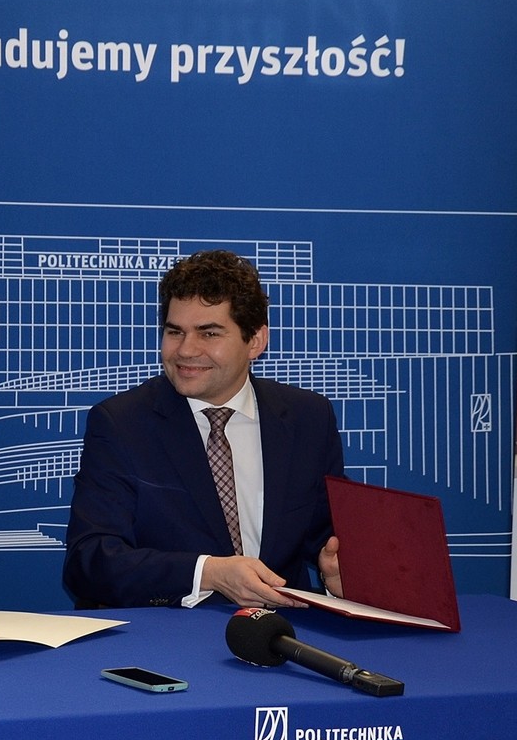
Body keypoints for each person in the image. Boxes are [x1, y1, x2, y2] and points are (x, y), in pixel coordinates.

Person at [64, 248, 344, 613]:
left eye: (209, 333)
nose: (185, 350)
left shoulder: (308, 418)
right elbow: (90, 562)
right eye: (174, 332)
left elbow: (327, 540)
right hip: (170, 633)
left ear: (255, 341)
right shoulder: (121, 423)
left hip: (281, 633)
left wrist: (339, 574)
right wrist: (207, 574)